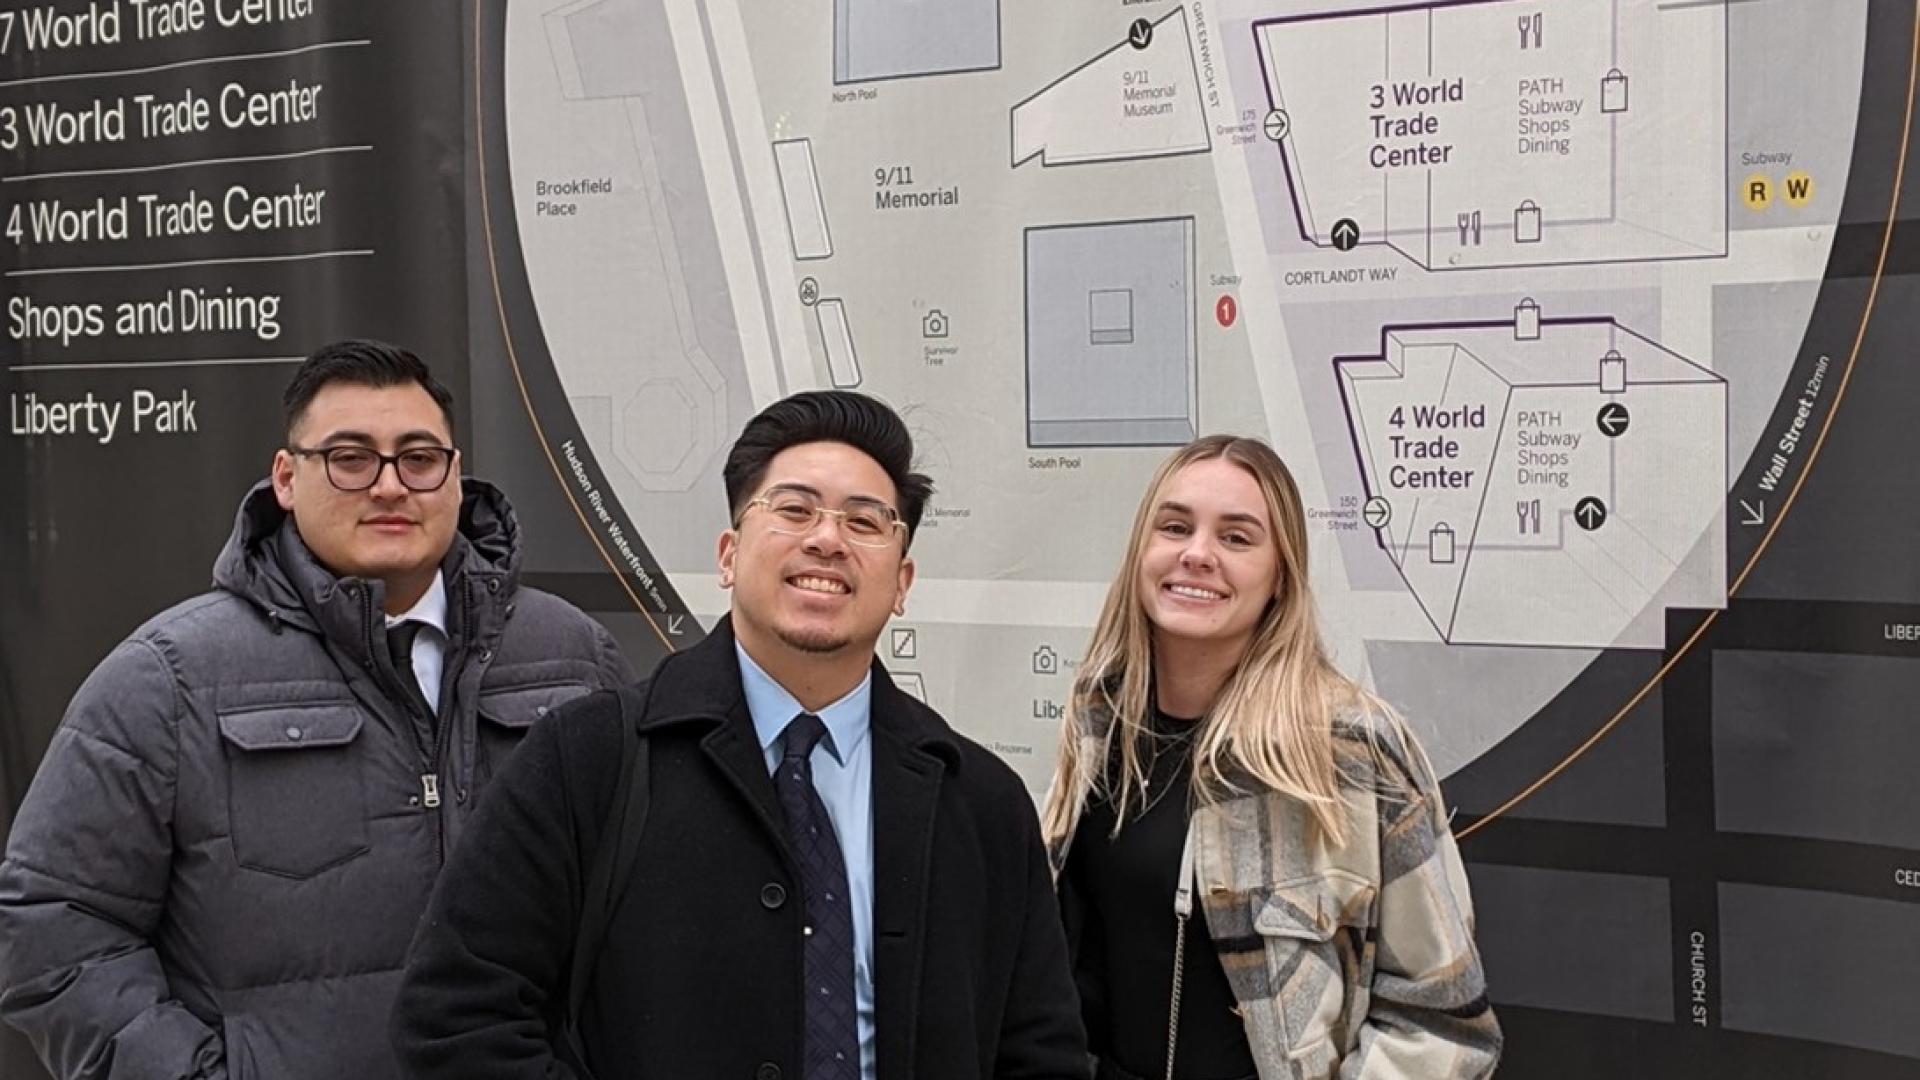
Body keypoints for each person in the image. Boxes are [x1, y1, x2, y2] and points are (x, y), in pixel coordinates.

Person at [391, 390, 1088, 1080]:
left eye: (866, 522)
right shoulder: (588, 761)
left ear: (902, 581)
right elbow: (456, 1017)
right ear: (728, 555)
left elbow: (1039, 1051)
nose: (827, 538)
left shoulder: (980, 802)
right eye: (793, 509)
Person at [0, 339, 637, 1080]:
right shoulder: (169, 679)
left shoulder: (574, 655)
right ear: (286, 478)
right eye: (350, 457)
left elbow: (649, 902)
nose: (390, 486)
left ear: (456, 476)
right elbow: (54, 925)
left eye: (419, 457)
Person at [1042, 436, 1500, 1080]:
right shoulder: (1098, 724)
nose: (1197, 554)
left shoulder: (1350, 748)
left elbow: (1440, 1022)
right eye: (1175, 527)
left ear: (1279, 576)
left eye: (1236, 538)